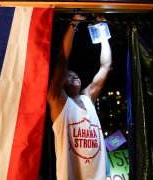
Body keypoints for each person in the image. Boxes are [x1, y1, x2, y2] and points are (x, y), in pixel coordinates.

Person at [47, 14, 113, 180]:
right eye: (68, 76)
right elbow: (62, 60)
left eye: (75, 74)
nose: (73, 76)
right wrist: (74, 24)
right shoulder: (58, 101)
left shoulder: (87, 98)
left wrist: (102, 31)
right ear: (61, 82)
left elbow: (106, 67)